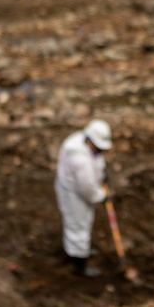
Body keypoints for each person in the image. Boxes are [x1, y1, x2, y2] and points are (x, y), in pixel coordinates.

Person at [54, 119, 112, 277]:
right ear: (90, 140)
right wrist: (101, 196)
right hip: (74, 193)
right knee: (78, 226)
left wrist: (102, 174)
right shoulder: (78, 158)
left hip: (75, 187)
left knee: (82, 224)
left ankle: (80, 250)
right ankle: (79, 264)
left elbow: (96, 160)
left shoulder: (83, 141)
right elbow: (87, 187)